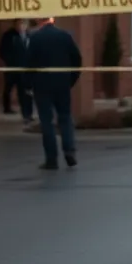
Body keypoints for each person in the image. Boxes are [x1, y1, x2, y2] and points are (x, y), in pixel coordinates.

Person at [26, 16, 82, 170]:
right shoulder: (65, 36)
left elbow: (29, 63)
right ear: (52, 19)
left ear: (39, 20)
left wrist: (28, 85)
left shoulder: (35, 38)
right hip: (62, 84)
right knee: (65, 117)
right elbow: (77, 60)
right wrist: (70, 80)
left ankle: (52, 159)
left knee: (47, 122)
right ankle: (69, 151)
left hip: (42, 86)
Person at [0, 18, 34, 123]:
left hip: (25, 69)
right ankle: (6, 107)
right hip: (12, 67)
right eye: (19, 23)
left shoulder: (29, 35)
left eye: (24, 24)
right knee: (8, 88)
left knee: (25, 92)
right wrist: (9, 61)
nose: (22, 26)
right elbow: (2, 50)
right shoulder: (9, 35)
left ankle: (27, 114)